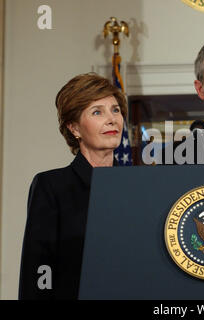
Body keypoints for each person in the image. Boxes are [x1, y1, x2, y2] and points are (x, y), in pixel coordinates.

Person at [19, 73, 128, 300]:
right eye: (97, 112)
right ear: (74, 128)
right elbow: (39, 270)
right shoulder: (51, 186)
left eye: (115, 110)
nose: (112, 119)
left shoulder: (136, 187)